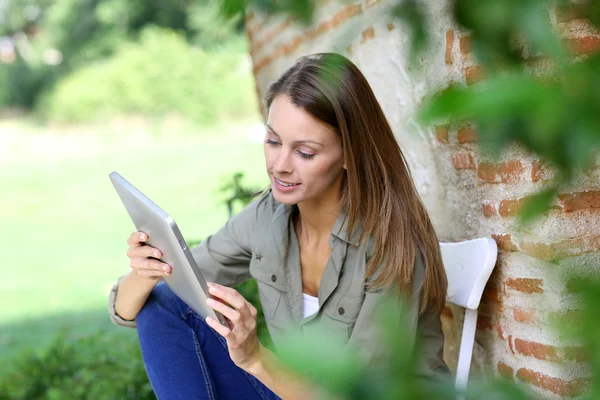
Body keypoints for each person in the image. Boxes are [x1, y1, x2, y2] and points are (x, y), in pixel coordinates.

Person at [108, 52, 450, 400]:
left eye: (305, 152)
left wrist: (254, 358)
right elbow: (127, 310)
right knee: (165, 301)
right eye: (273, 142)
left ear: (350, 154)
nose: (279, 166)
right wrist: (149, 270)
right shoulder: (267, 217)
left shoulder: (392, 245)